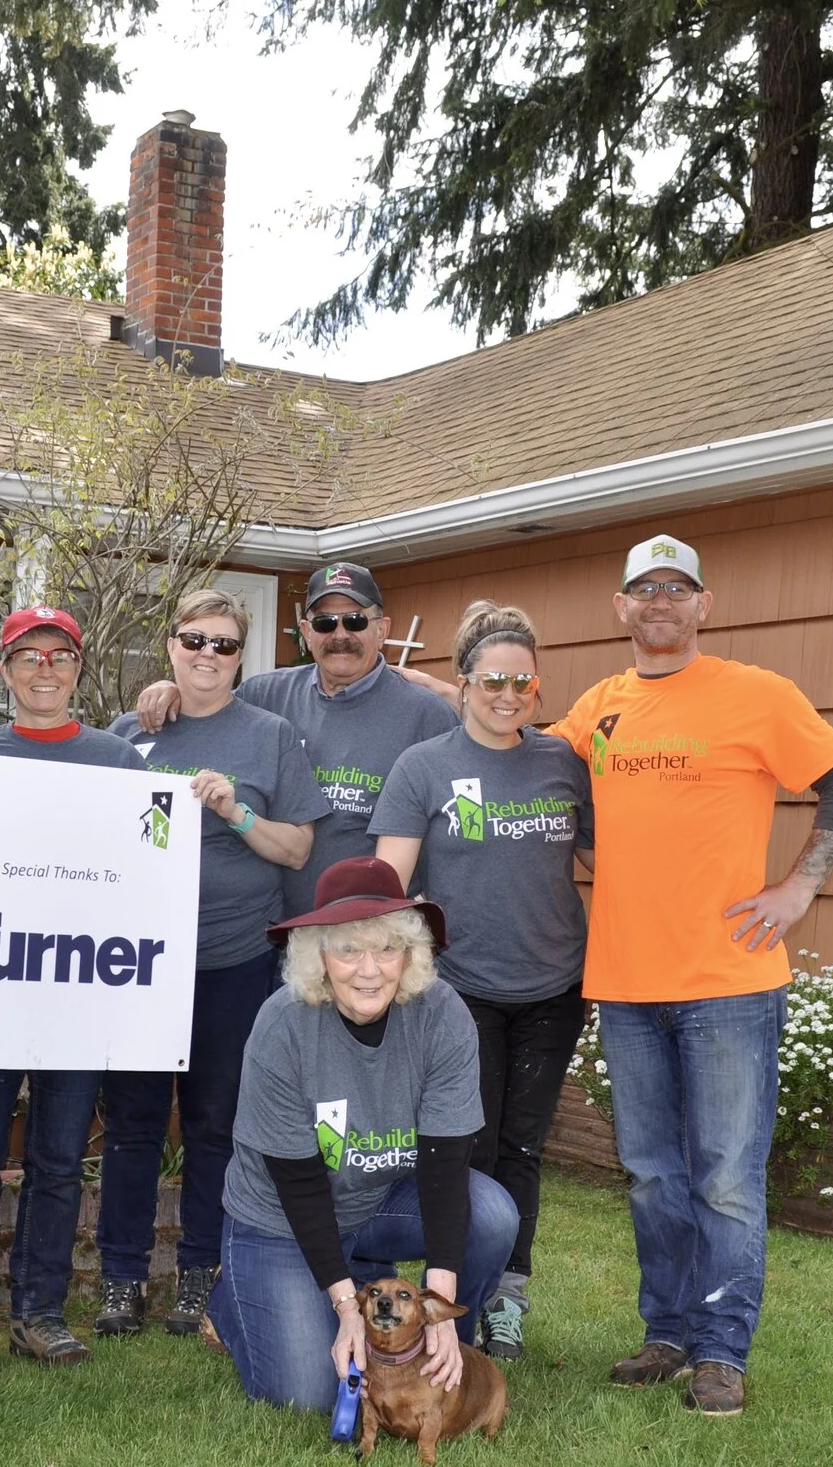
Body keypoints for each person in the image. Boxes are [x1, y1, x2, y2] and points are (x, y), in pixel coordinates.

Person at [544, 534, 833, 1418]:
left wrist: (799, 887)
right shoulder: (600, 707)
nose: (660, 601)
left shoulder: (757, 694)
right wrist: (437, 689)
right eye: (645, 588)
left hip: (729, 981)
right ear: (621, 607)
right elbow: (524, 757)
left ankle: (722, 1351)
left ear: (704, 604)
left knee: (725, 1176)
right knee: (652, 1174)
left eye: (677, 587)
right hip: (625, 981)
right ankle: (668, 1333)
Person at [207, 856, 521, 1414]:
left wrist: (439, 1311)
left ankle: (446, 1348)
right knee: (308, 1395)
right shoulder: (282, 1025)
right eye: (348, 950)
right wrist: (345, 1307)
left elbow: (445, 1164)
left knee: (493, 1215)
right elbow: (299, 1186)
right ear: (318, 958)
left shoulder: (442, 1014)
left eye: (387, 949)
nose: (369, 970)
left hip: (378, 1202)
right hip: (281, 1222)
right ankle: (236, 1302)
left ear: (411, 955)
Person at [100, 589, 327, 1341]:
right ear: (170, 645)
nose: (207, 654)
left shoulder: (270, 735)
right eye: (193, 639)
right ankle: (122, 1277)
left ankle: (200, 1272)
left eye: (224, 644)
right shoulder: (128, 732)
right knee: (132, 1124)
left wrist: (236, 812)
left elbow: (297, 849)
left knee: (214, 1124)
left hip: (233, 959)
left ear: (241, 656)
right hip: (137, 963)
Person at [371, 601, 591, 1363]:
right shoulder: (423, 767)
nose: (507, 695)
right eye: (492, 680)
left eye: (522, 682)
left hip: (554, 989)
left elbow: (614, 859)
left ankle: (507, 1302)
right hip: (460, 991)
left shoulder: (563, 763)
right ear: (463, 684)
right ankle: (450, 1305)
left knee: (521, 1149)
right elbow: (389, 886)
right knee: (464, 1148)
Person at [0, 604, 145, 1374]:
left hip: (78, 985)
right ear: (6, 671)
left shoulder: (118, 762)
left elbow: (142, 870)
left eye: (60, 655)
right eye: (29, 656)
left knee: (59, 1158)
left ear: (78, 669)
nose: (45, 669)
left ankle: (40, 1312)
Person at [134, 562, 455, 915]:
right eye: (325, 623)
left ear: (382, 630)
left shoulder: (427, 714)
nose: (340, 634)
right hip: (272, 927)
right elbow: (209, 705)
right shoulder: (265, 695)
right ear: (306, 632)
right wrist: (170, 690)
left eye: (355, 621)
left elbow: (455, 826)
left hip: (371, 929)